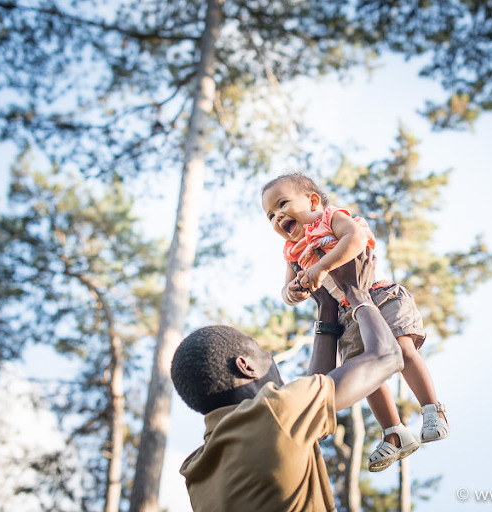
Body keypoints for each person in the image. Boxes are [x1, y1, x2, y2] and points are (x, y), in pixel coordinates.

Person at [172, 252, 403, 511]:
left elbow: (310, 400)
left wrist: (327, 309)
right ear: (246, 367)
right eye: (260, 350)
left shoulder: (198, 473)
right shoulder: (273, 414)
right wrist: (357, 292)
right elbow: (387, 356)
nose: (270, 356)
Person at [261, 172, 449, 472]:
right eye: (270, 215)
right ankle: (395, 433)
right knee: (363, 372)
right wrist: (293, 292)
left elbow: (357, 239)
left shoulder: (329, 218)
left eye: (282, 204)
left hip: (378, 295)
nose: (277, 217)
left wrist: (322, 266)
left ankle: (432, 409)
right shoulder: (292, 252)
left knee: (401, 349)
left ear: (312, 201)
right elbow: (286, 289)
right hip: (349, 315)